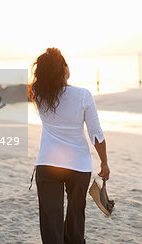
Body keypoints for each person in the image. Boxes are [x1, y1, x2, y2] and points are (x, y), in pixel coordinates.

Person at [28, 47, 110, 244]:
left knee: (51, 222)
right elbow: (96, 134)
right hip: (78, 166)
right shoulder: (83, 95)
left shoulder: (39, 94)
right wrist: (104, 163)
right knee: (75, 220)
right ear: (64, 69)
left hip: (48, 165)